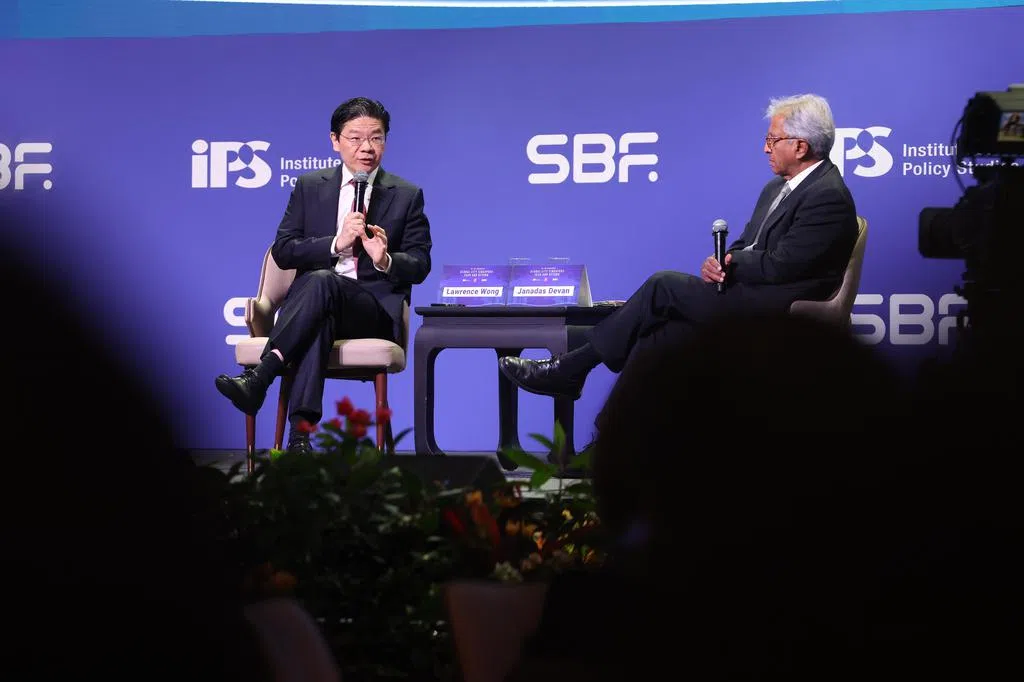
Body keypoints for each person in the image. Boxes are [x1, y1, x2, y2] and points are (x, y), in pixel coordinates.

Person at [498, 93, 858, 402]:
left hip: (780, 312)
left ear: (800, 146)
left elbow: (783, 265)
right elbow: (746, 244)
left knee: (663, 285)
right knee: (658, 335)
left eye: (772, 139)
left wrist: (732, 262)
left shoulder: (827, 196)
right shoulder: (777, 188)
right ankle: (610, 438)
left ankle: (570, 368)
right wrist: (719, 262)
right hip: (748, 295)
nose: (765, 147)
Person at [215, 96, 432, 453]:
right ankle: (300, 439)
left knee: (320, 282)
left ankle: (261, 376)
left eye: (376, 138)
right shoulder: (309, 186)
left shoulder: (406, 195)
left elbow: (420, 264)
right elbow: (284, 250)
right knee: (318, 311)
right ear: (335, 141)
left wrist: (386, 260)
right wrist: (335, 243)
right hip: (316, 307)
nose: (367, 148)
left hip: (371, 310)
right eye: (355, 138)